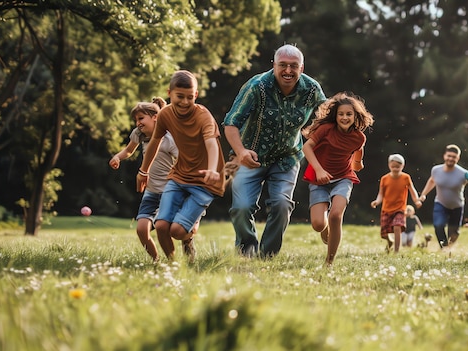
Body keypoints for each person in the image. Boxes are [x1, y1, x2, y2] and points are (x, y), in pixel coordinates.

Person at [223, 44, 326, 258]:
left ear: (302, 68)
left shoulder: (312, 89)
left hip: (287, 158)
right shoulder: (257, 86)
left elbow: (329, 120)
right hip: (250, 155)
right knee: (241, 207)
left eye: (293, 66)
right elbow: (231, 123)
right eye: (283, 65)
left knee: (281, 204)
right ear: (274, 65)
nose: (288, 70)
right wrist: (241, 152)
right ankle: (246, 250)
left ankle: (267, 256)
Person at [136, 70, 226, 262]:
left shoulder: (203, 116)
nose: (185, 102)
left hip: (204, 182)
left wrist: (211, 169)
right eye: (179, 97)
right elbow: (154, 142)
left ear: (196, 95)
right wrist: (143, 171)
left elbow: (211, 143)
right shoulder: (166, 115)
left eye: (189, 97)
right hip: (178, 177)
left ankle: (188, 238)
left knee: (177, 231)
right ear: (170, 93)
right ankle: (173, 265)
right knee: (161, 225)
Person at [302, 92, 374, 265]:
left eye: (349, 114)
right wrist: (318, 170)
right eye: (341, 114)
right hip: (320, 180)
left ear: (355, 116)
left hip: (343, 178)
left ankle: (329, 262)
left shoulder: (359, 137)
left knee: (335, 215)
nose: (344, 117)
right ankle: (325, 228)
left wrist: (358, 162)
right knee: (318, 224)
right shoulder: (326, 130)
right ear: (335, 115)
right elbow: (306, 148)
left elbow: (358, 148)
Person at [110, 97, 183, 262]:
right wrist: (117, 157)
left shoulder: (168, 139)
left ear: (155, 117)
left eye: (141, 118)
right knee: (142, 229)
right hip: (151, 191)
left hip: (169, 191)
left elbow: (181, 160)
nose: (138, 123)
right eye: (136, 120)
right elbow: (129, 150)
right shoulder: (138, 134)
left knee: (164, 228)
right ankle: (156, 260)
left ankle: (173, 261)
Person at [419, 144, 468, 248]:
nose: (451, 158)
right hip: (440, 203)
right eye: (449, 156)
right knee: (438, 225)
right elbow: (432, 180)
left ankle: (449, 247)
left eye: (454, 157)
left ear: (458, 158)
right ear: (444, 156)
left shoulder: (464, 173)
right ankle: (444, 248)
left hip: (457, 206)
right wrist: (423, 194)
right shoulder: (436, 170)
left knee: (454, 233)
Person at [371, 154, 422, 253]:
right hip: (386, 209)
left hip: (400, 209)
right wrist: (377, 201)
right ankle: (390, 241)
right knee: (384, 234)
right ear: (389, 165)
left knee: (397, 226)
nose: (395, 168)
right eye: (393, 166)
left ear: (402, 166)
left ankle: (396, 251)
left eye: (398, 167)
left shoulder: (406, 177)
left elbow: (412, 190)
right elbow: (381, 193)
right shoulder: (384, 179)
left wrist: (416, 200)